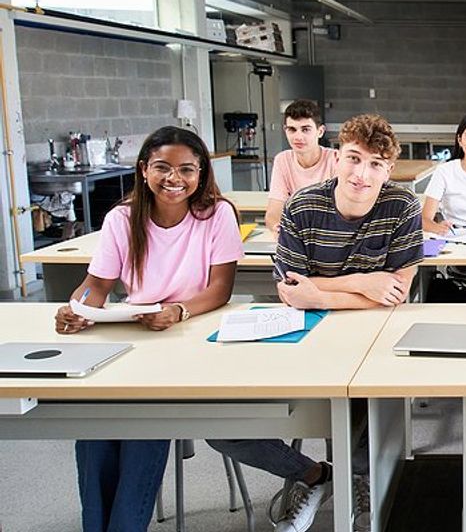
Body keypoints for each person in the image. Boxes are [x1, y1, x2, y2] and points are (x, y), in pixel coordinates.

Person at [210, 113, 424, 532]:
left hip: (370, 341)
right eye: (354, 158)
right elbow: (290, 293)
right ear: (337, 157)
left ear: (388, 170)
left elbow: (395, 296)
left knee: (359, 410)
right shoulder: (303, 206)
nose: (362, 174)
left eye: (376, 164)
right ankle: (313, 474)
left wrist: (320, 294)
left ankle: (359, 478)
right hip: (300, 336)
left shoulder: (402, 206)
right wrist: (363, 282)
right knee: (220, 425)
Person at [55, 126, 243, 532]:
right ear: (144, 170)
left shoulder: (216, 214)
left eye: (186, 170)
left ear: (201, 173)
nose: (174, 179)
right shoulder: (122, 218)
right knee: (93, 427)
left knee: (141, 423)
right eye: (162, 167)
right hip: (137, 335)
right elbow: (97, 286)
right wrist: (76, 309)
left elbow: (220, 289)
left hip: (193, 334)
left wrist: (178, 311)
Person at [266, 99, 338, 232]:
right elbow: (274, 210)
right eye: (292, 130)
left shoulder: (336, 160)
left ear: (320, 131)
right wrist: (277, 228)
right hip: (296, 234)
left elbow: (340, 212)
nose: (298, 137)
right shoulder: (282, 160)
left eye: (305, 129)